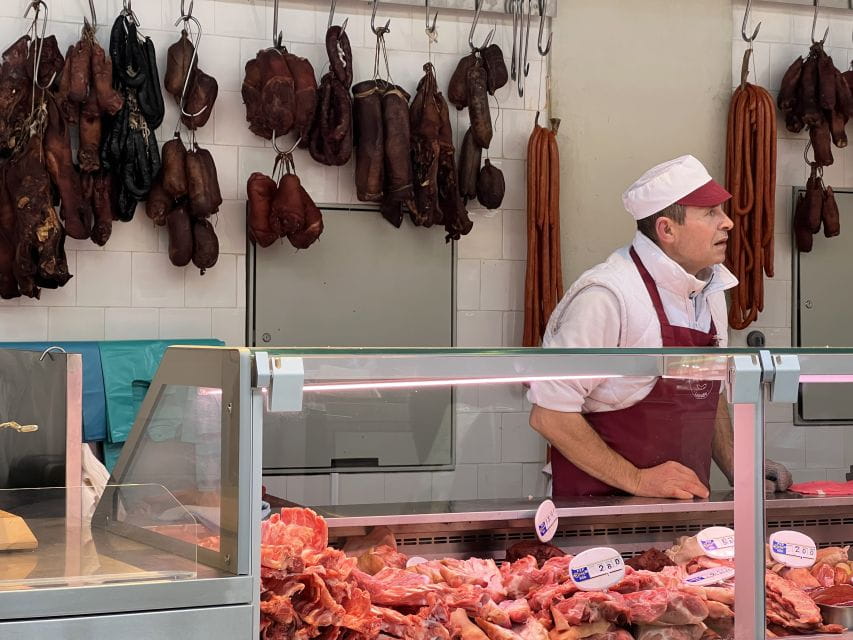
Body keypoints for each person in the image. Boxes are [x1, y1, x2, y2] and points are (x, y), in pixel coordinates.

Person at [527, 155, 792, 499]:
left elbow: (706, 395)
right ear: (667, 229)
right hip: (597, 515)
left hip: (683, 510)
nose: (727, 222)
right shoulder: (608, 295)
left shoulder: (709, 292)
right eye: (711, 212)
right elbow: (549, 415)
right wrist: (639, 481)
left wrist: (741, 469)